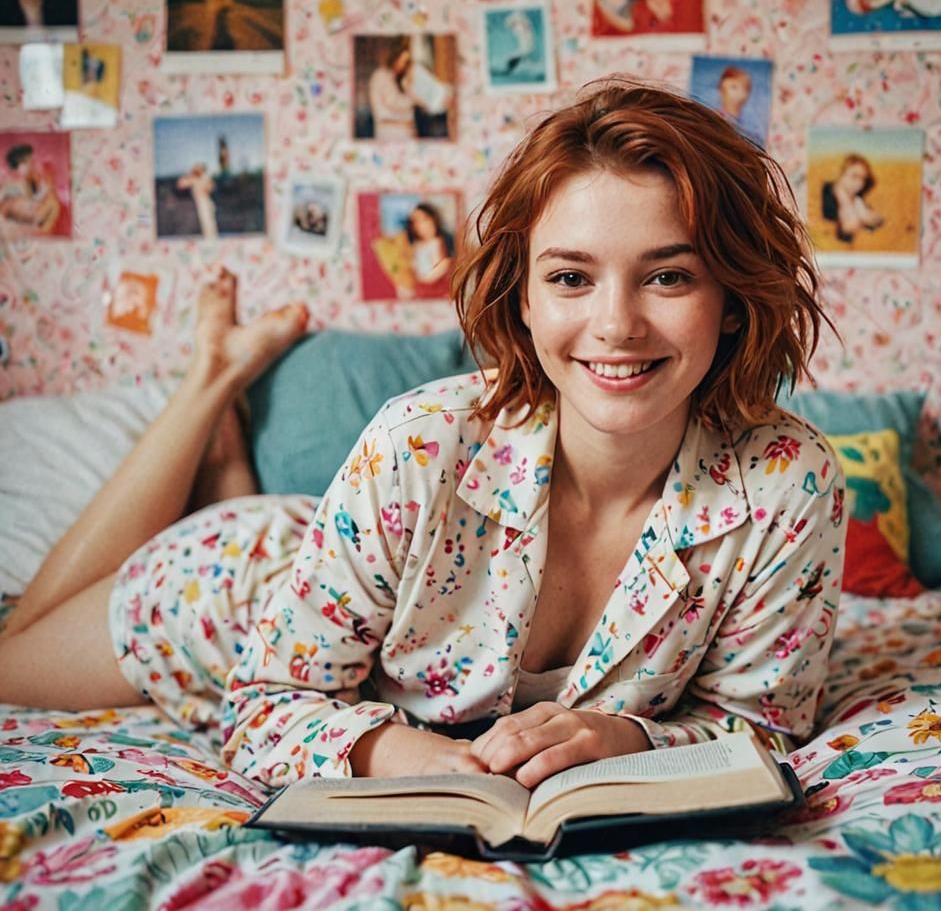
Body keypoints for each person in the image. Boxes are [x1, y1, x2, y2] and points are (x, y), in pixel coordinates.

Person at [0, 81, 846, 794]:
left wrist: (626, 739)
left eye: (668, 276)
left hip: (354, 569)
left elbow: (759, 727)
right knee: (11, 651)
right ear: (523, 297)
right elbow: (266, 704)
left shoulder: (790, 482)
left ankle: (228, 455)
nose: (616, 324)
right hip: (239, 588)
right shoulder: (420, 438)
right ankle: (212, 382)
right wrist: (402, 757)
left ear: (732, 298)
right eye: (570, 277)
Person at [821, 154, 885, 244]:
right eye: (854, 176)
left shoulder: (857, 199)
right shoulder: (827, 194)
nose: (859, 184)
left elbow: (876, 219)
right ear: (841, 174)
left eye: (863, 179)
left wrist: (865, 217)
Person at [0, 143, 61, 234]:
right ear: (16, 166)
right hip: (15, 216)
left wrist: (44, 190)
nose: (31, 165)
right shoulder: (10, 183)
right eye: (26, 163)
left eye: (31, 162)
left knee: (52, 203)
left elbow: (34, 199)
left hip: (31, 216)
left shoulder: (29, 182)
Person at [368, 39, 417, 141]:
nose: (403, 65)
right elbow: (390, 103)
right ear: (395, 57)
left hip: (403, 131)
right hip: (391, 131)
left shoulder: (398, 79)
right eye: (402, 60)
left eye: (406, 62)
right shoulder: (381, 75)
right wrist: (413, 100)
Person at [406, 201, 454, 288]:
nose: (424, 225)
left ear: (433, 218)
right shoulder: (415, 246)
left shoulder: (442, 241)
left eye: (425, 219)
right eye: (416, 222)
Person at [176, 163, 218, 240]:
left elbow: (211, 187)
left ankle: (211, 237)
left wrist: (202, 185)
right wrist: (189, 176)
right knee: (203, 220)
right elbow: (181, 184)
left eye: (199, 170)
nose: (197, 172)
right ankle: (208, 236)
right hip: (196, 203)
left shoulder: (205, 178)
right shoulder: (193, 178)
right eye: (195, 170)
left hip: (205, 201)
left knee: (207, 220)